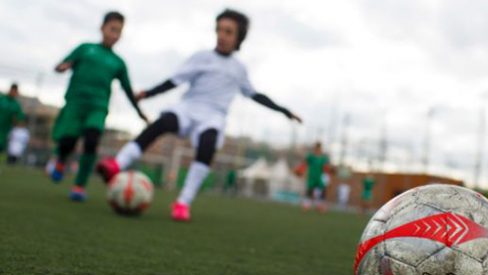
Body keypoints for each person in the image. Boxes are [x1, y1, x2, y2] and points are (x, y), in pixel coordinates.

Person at [97, 9, 302, 222]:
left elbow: (255, 95)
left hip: (213, 116)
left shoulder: (239, 69)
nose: (222, 35)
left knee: (208, 144)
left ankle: (183, 203)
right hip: (189, 107)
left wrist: (284, 111)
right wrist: (148, 94)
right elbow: (175, 81)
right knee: (162, 123)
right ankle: (117, 165)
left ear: (238, 37)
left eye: (228, 32)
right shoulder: (201, 57)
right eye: (219, 30)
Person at [49, 11, 147, 201]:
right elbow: (61, 64)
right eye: (112, 29)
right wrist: (62, 67)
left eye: (119, 32)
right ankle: (61, 160)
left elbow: (128, 90)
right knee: (68, 142)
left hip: (98, 107)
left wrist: (140, 113)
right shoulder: (85, 49)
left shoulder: (118, 63)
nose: (114, 35)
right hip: (75, 104)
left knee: (91, 141)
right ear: (102, 28)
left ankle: (79, 186)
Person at [296, 141, 331, 213]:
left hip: (320, 177)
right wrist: (300, 170)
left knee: (322, 192)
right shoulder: (310, 157)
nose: (317, 149)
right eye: (316, 148)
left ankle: (320, 206)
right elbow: (304, 163)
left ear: (320, 148)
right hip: (312, 176)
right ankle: (306, 206)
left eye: (318, 148)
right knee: (309, 191)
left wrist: (329, 173)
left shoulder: (323, 158)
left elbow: (326, 167)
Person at [0, 84, 25, 157]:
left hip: (5, 130)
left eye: (15, 92)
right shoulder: (2, 99)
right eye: (12, 91)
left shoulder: (16, 105)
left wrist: (17, 122)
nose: (13, 93)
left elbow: (20, 118)